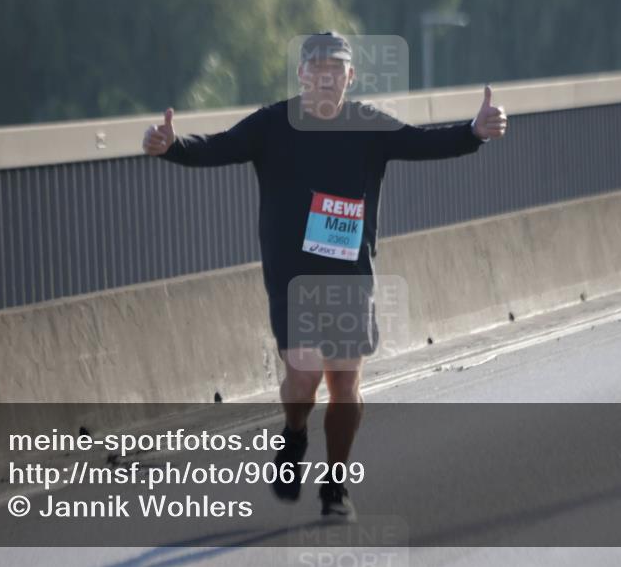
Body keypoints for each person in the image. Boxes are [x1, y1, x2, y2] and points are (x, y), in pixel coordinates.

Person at [143, 31, 508, 521]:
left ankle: (335, 486)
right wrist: (172, 146)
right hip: (291, 278)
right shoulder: (273, 124)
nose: (325, 77)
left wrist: (474, 132)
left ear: (350, 77)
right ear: (301, 74)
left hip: (349, 276)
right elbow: (218, 147)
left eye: (336, 69)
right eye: (316, 68)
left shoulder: (367, 126)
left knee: (345, 385)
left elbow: (421, 142)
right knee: (305, 375)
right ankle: (295, 433)